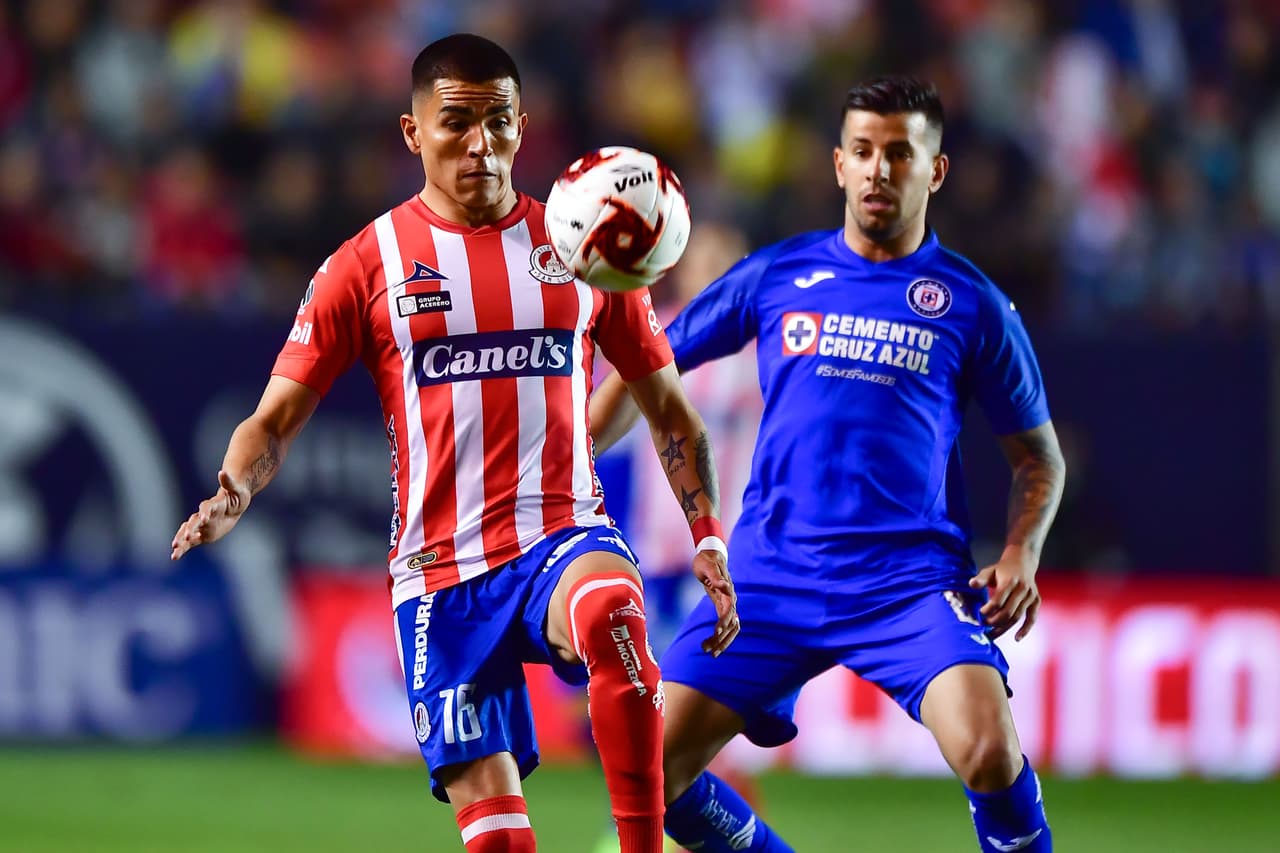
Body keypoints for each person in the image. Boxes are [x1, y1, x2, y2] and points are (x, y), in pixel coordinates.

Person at [169, 33, 740, 853]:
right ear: (413, 133)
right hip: (439, 577)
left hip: (561, 532)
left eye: (499, 122)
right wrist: (236, 489)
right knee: (501, 841)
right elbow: (274, 416)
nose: (481, 143)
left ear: (522, 125)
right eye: (457, 122)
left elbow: (671, 412)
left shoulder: (584, 250)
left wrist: (707, 536)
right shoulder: (365, 266)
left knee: (615, 616)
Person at [590, 76, 1066, 853]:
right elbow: (648, 363)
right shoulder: (778, 275)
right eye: (864, 151)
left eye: (900, 153)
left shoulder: (974, 305)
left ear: (933, 171)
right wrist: (572, 457)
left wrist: (1021, 552)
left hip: (908, 583)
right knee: (643, 764)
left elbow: (1038, 458)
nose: (880, 169)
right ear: (839, 164)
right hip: (770, 577)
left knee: (988, 750)